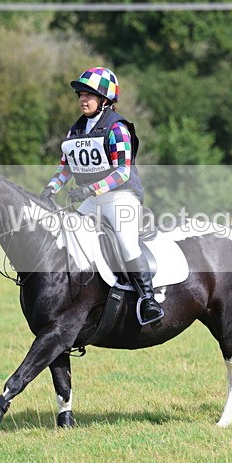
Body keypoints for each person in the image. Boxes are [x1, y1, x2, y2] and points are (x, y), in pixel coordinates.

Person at [41, 67, 164, 325]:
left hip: (120, 196)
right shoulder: (75, 131)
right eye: (81, 95)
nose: (83, 99)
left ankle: (148, 300)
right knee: (66, 235)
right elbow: (65, 169)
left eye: (90, 95)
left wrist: (89, 190)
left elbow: (122, 172)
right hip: (91, 200)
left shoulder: (117, 128)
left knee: (126, 242)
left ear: (105, 100)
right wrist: (50, 189)